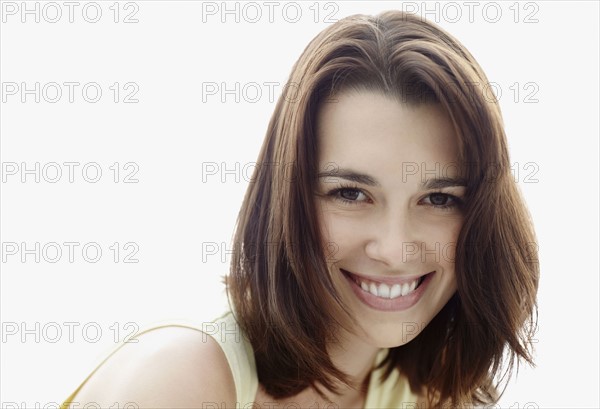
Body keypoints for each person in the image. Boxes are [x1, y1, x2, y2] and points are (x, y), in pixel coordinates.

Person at [59, 10, 539, 409]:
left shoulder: (431, 397)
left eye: (439, 199)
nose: (394, 249)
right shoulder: (178, 382)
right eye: (350, 193)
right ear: (286, 199)